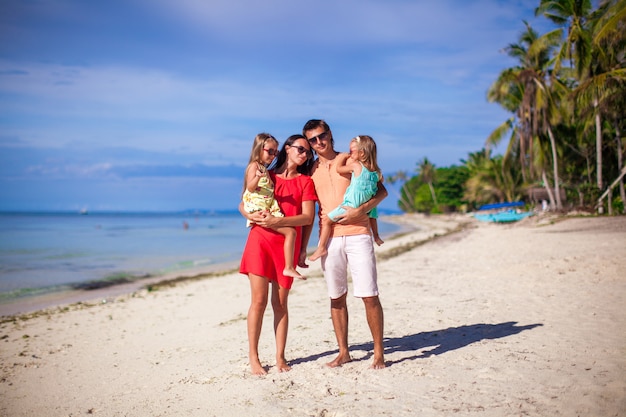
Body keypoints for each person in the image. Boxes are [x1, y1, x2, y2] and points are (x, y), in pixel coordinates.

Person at [302, 119, 388, 369]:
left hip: (358, 232)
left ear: (330, 134)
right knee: (336, 297)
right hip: (329, 240)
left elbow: (381, 192)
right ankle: (344, 352)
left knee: (369, 295)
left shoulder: (352, 160)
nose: (319, 142)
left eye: (322, 136)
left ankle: (379, 353)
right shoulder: (310, 170)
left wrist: (359, 210)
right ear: (308, 143)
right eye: (313, 140)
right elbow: (308, 211)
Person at [239, 134, 316, 375]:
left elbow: (307, 218)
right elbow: (244, 200)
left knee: (280, 304)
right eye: (300, 149)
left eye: (307, 152)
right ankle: (254, 358)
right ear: (287, 148)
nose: (304, 154)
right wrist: (247, 215)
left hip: (286, 244)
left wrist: (283, 226)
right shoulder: (266, 174)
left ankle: (280, 357)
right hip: (260, 240)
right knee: (258, 302)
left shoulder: (305, 182)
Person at [309, 135, 384, 262]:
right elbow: (379, 190)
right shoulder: (376, 173)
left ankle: (321, 247)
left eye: (351, 151)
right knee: (373, 216)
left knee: (327, 220)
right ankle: (376, 236)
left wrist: (342, 157)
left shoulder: (356, 166)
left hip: (351, 204)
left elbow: (339, 169)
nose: (349, 153)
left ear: (361, 153)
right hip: (365, 204)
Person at [242, 133, 304, 279]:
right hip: (259, 209)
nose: (273, 155)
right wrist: (258, 176)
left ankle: (288, 267)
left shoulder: (264, 169)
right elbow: (249, 189)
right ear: (259, 148)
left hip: (265, 208)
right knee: (291, 232)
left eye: (275, 152)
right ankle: (288, 267)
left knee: (290, 233)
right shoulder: (254, 167)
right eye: (270, 151)